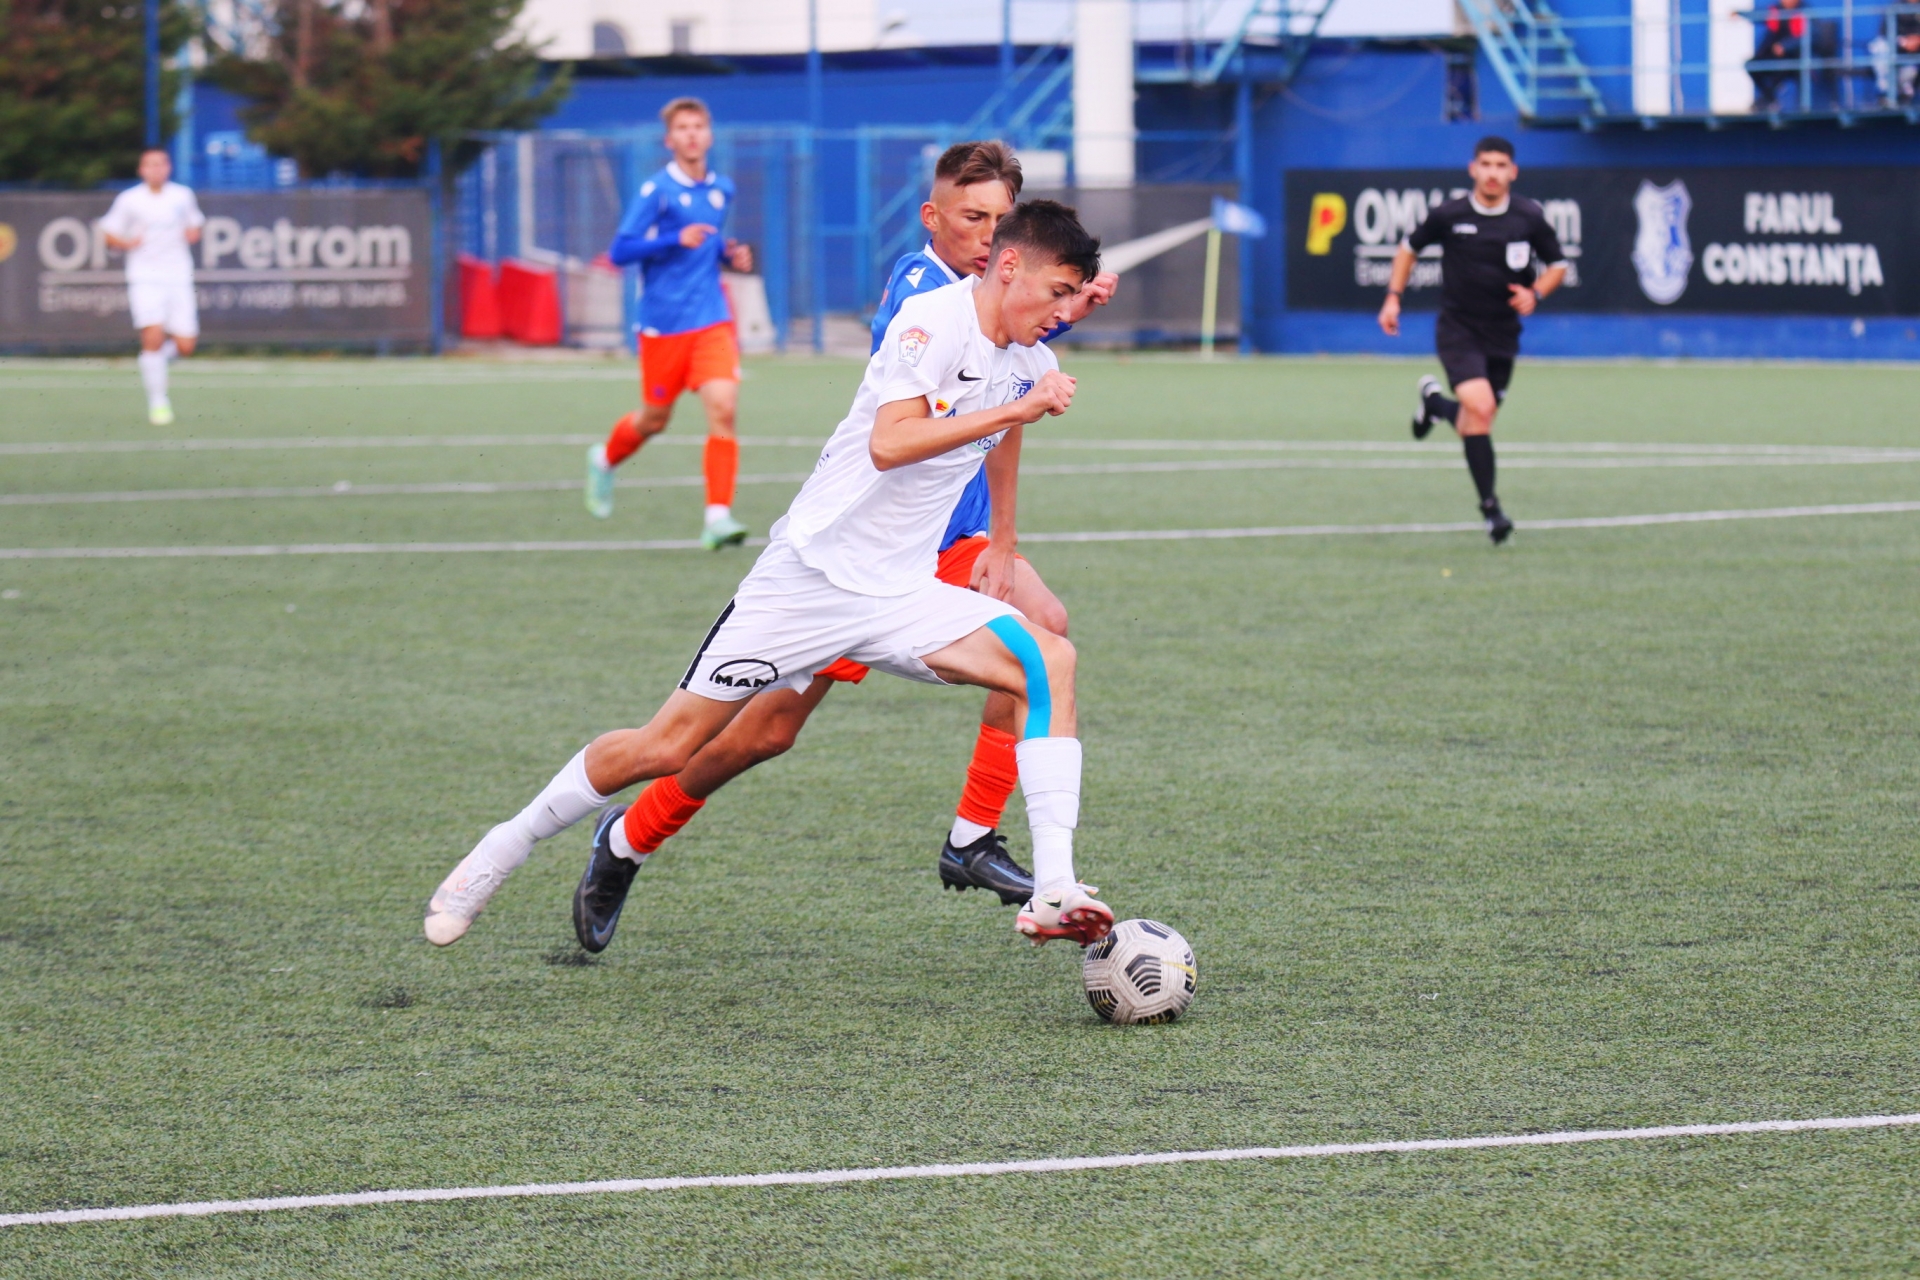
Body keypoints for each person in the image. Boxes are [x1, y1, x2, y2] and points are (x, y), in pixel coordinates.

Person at [427, 200, 1117, 958]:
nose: (1063, 313)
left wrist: (1004, 533)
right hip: (807, 582)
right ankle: (505, 845)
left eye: (1071, 297)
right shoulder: (931, 319)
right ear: (1009, 266)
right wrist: (1022, 406)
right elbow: (891, 444)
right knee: (668, 745)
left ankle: (1055, 888)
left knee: (1048, 659)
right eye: (1057, 292)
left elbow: (1007, 428)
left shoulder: (1031, 361)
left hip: (901, 592)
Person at [1378, 136, 1566, 545]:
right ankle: (1491, 511)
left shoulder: (1528, 217)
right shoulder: (1449, 215)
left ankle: (1434, 404)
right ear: (1473, 169)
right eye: (1486, 164)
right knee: (1480, 408)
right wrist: (1393, 297)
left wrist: (1536, 293)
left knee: (1475, 421)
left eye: (1501, 165)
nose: (1493, 172)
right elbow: (1407, 250)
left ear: (1513, 172)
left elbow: (1558, 265)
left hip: (1503, 333)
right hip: (1459, 329)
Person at [586, 97, 754, 550]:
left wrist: (730, 254)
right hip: (664, 324)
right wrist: (673, 238)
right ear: (669, 140)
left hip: (711, 318)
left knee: (723, 408)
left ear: (709, 135)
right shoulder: (656, 191)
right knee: (654, 419)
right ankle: (604, 460)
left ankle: (717, 518)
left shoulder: (721, 189)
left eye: (698, 126)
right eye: (683, 128)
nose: (692, 134)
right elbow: (620, 251)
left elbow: (710, 241)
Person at [99, 149, 205, 426]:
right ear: (141, 169)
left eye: (161, 164)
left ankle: (154, 363)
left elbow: (195, 225)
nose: (156, 169)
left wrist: (193, 234)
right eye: (150, 164)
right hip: (144, 277)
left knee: (186, 346)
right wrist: (127, 243)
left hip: (178, 277)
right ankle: (158, 402)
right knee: (153, 335)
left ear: (168, 168)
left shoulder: (183, 196)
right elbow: (108, 234)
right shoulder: (129, 200)